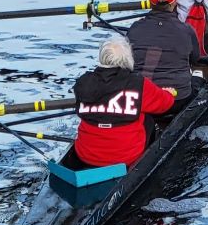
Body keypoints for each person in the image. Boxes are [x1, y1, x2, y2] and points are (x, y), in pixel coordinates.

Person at [63, 35, 177, 170]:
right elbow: (165, 104)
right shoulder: (138, 83)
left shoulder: (84, 82)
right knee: (148, 118)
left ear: (102, 57)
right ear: (127, 58)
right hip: (126, 158)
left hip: (85, 155)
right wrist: (170, 93)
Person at [126, 0, 203, 109]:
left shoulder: (134, 29)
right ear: (174, 2)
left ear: (150, 2)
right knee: (198, 74)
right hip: (178, 99)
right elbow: (196, 60)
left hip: (144, 98)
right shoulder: (187, 30)